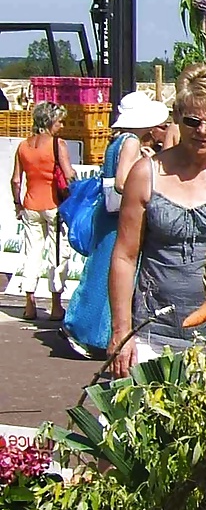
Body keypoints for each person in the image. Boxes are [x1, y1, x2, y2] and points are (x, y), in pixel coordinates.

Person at [108, 65, 206, 377]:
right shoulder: (145, 173)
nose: (203, 131)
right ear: (176, 115)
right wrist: (121, 332)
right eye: (193, 121)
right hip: (152, 332)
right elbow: (125, 255)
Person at [64, 92, 170, 355]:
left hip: (106, 215)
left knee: (99, 273)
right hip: (118, 217)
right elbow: (123, 181)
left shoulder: (117, 141)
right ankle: (97, 335)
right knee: (111, 277)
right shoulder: (132, 141)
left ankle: (83, 329)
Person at [10, 103, 75, 321]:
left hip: (30, 205)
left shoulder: (23, 146)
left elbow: (16, 180)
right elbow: (68, 175)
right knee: (57, 255)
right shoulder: (58, 144)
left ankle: (29, 304)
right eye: (59, 122)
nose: (62, 125)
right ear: (49, 122)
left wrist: (17, 204)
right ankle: (56, 306)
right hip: (54, 205)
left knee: (32, 254)